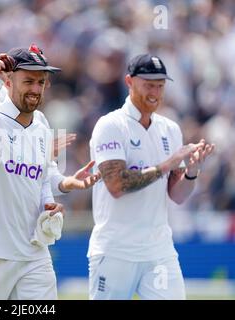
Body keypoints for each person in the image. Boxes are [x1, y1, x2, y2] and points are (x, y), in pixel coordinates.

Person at [87, 54, 215, 300]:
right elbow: (116, 185)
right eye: (148, 84)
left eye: (160, 85)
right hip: (116, 250)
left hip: (158, 249)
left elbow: (176, 196)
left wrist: (191, 171)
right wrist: (167, 164)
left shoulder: (170, 128)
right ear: (129, 82)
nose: (155, 92)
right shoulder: (110, 125)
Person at [0, 44, 71, 300]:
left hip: (33, 252)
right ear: (8, 82)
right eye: (28, 81)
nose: (36, 89)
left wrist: (49, 204)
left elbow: (39, 179)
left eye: (41, 82)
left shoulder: (41, 124)